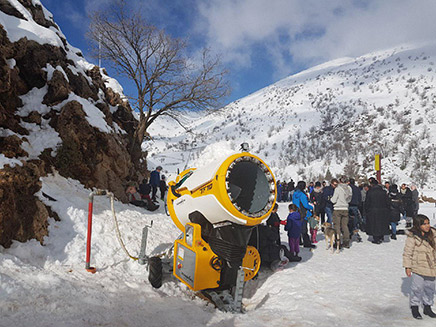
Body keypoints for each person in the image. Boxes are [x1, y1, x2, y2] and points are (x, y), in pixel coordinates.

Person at [403, 214, 436, 319]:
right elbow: (407, 252)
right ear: (418, 225)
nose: (427, 226)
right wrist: (408, 266)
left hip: (431, 266)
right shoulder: (413, 236)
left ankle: (427, 307)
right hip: (418, 266)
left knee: (430, 288)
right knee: (417, 287)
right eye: (424, 224)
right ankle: (415, 306)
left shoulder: (433, 234)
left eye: (428, 223)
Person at [365, 179, 390, 244]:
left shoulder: (370, 192)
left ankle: (376, 238)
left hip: (373, 210)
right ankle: (381, 236)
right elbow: (387, 202)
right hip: (383, 210)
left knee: (374, 224)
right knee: (382, 223)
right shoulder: (383, 192)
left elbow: (367, 202)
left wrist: (366, 210)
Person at [331, 176, 352, 248]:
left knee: (337, 226)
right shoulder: (349, 188)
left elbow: (334, 199)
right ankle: (346, 242)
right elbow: (349, 199)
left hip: (337, 208)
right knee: (345, 226)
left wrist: (331, 199)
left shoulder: (338, 189)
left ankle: (338, 242)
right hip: (345, 208)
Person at [292, 181, 315, 248]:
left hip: (296, 211)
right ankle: (306, 242)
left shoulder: (295, 193)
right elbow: (305, 205)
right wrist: (311, 207)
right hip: (302, 212)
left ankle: (299, 241)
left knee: (298, 227)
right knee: (304, 228)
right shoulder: (302, 194)